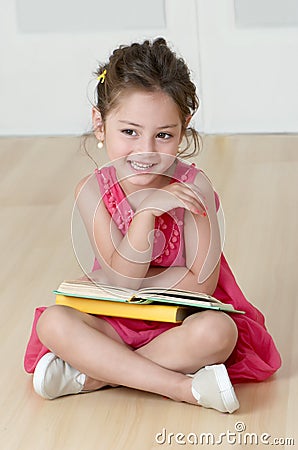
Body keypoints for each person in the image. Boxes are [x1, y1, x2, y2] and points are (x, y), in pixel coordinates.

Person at [24, 38, 281, 413]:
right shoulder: (93, 190)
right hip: (117, 317)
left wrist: (122, 281)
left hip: (183, 322)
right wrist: (147, 213)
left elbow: (201, 286)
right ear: (100, 123)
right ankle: (180, 386)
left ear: (184, 127)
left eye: (163, 135)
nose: (146, 149)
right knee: (53, 323)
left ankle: (94, 374)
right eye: (129, 131)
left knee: (219, 333)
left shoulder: (195, 188)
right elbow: (124, 281)